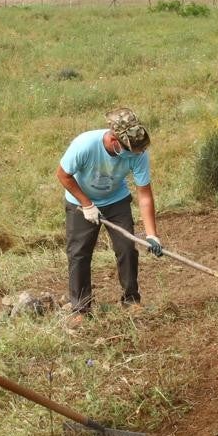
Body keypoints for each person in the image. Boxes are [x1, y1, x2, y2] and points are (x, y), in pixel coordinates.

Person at [55, 108, 162, 324]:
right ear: (114, 139)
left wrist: (152, 235)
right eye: (128, 149)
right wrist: (87, 204)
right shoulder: (85, 145)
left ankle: (131, 301)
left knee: (127, 249)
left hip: (116, 200)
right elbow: (63, 174)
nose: (133, 154)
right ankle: (81, 309)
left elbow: (144, 196)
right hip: (80, 201)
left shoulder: (138, 152)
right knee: (79, 253)